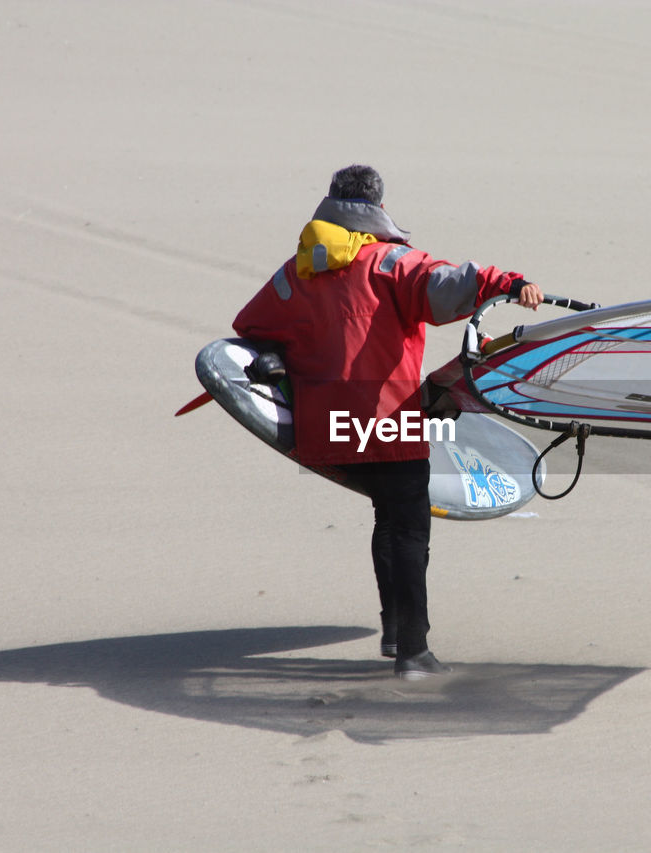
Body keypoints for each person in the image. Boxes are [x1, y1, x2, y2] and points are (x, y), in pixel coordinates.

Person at [232, 165, 543, 679]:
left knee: (387, 517)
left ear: (330, 202)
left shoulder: (296, 271)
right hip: (386, 419)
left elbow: (249, 326)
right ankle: (413, 651)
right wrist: (509, 283)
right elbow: (451, 283)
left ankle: (395, 631)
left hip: (325, 425)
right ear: (377, 205)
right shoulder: (391, 263)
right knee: (409, 529)